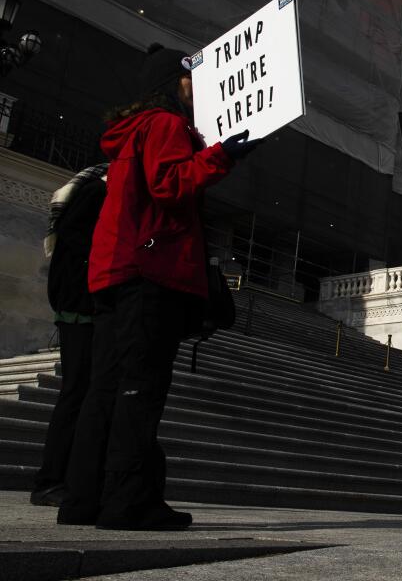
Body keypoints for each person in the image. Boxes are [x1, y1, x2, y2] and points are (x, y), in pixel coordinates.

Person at [57, 44, 258, 530]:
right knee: (139, 388)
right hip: (149, 272)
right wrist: (223, 154)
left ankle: (83, 499)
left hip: (114, 273)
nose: (200, 89)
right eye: (192, 79)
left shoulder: (133, 132)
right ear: (174, 83)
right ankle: (127, 501)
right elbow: (171, 185)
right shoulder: (167, 125)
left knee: (103, 388)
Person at [29, 164, 108, 506]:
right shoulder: (99, 191)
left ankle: (70, 478)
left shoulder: (95, 188)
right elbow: (80, 241)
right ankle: (50, 481)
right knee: (77, 392)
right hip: (81, 306)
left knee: (84, 393)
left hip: (84, 305)